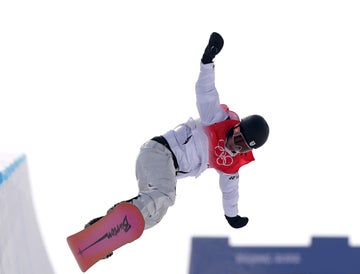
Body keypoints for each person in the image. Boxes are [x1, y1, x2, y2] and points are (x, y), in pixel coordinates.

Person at [87, 32, 270, 244]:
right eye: (238, 139)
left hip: (164, 171)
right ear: (236, 128)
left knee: (155, 215)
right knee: (166, 196)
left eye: (243, 149)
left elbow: (230, 192)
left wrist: (232, 215)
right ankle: (111, 225)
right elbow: (206, 91)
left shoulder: (231, 165)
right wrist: (207, 61)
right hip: (159, 152)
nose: (235, 147)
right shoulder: (216, 119)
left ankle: (105, 232)